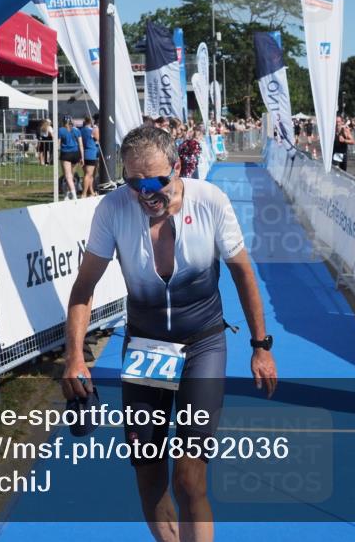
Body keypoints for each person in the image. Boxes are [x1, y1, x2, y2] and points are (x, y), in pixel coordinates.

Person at [62, 126, 277, 542]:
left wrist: (260, 346)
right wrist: (74, 356)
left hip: (203, 344)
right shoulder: (113, 209)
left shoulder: (209, 201)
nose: (145, 194)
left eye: (156, 182)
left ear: (177, 168)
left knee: (188, 477)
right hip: (147, 347)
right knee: (148, 476)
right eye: (133, 183)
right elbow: (83, 289)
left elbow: (242, 273)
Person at [57, 117, 83, 199]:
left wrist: (56, 154)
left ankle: (74, 194)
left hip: (66, 154)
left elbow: (58, 144)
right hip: (76, 154)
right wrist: (82, 157)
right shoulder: (77, 130)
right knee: (71, 176)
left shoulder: (61, 130)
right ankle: (66, 195)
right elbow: (81, 144)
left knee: (68, 175)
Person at [80, 116, 100, 197]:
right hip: (91, 153)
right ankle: (84, 193)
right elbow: (98, 139)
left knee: (89, 175)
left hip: (84, 153)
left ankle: (91, 191)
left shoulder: (81, 130)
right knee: (88, 175)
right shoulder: (93, 130)